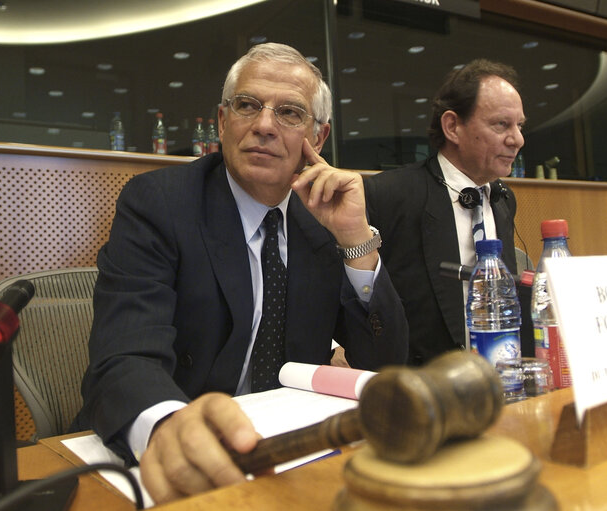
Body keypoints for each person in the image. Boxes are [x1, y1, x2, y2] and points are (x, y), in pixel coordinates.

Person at [72, 42, 408, 504]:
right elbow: (124, 357)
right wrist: (171, 430)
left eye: (289, 112)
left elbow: (385, 366)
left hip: (284, 452)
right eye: (248, 105)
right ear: (224, 120)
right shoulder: (159, 203)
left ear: (319, 137)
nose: (264, 125)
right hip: (159, 461)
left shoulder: (322, 217)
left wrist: (354, 241)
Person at [364, 59, 524, 366]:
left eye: (520, 126)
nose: (517, 139)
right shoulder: (389, 195)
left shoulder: (503, 199)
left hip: (495, 378)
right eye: (502, 124)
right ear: (452, 126)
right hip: (419, 385)